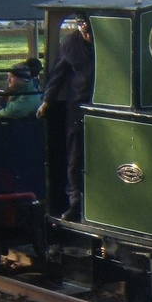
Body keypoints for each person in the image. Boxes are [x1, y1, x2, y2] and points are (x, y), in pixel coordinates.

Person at [40, 15, 95, 218]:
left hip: (102, 103)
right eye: (85, 31)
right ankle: (75, 201)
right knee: (75, 154)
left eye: (90, 31)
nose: (88, 35)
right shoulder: (71, 43)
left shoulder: (107, 42)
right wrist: (47, 100)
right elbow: (58, 73)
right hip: (78, 105)